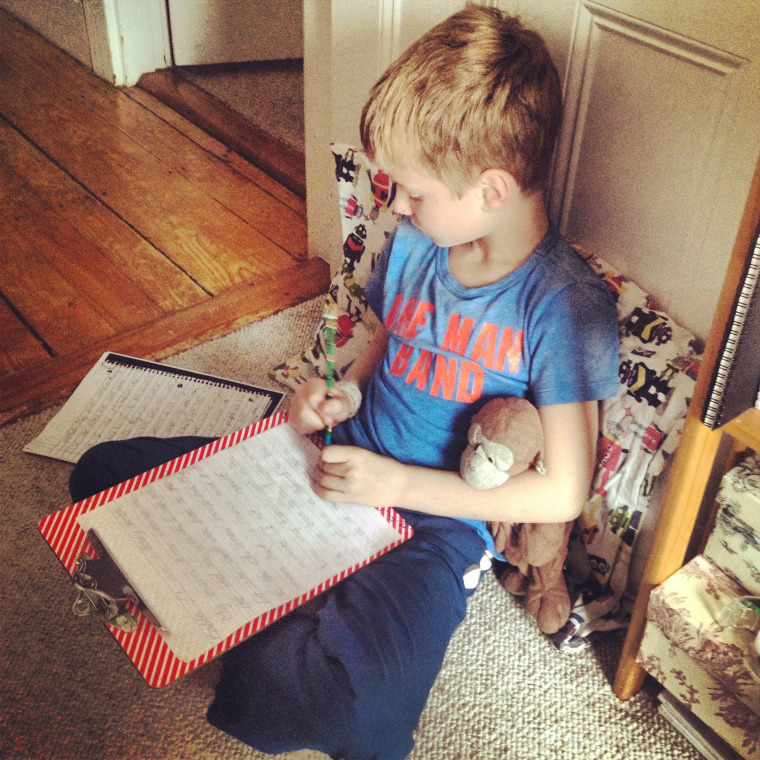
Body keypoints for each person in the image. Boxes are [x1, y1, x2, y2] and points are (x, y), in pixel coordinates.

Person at [69, 6, 618, 759]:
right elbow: (385, 339)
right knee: (102, 480)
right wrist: (344, 389)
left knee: (342, 706)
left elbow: (561, 492)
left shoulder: (560, 302)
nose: (395, 205)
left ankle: (276, 615)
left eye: (414, 191)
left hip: (432, 526)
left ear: (491, 190)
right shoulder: (420, 244)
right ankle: (277, 595)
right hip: (333, 460)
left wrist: (393, 483)